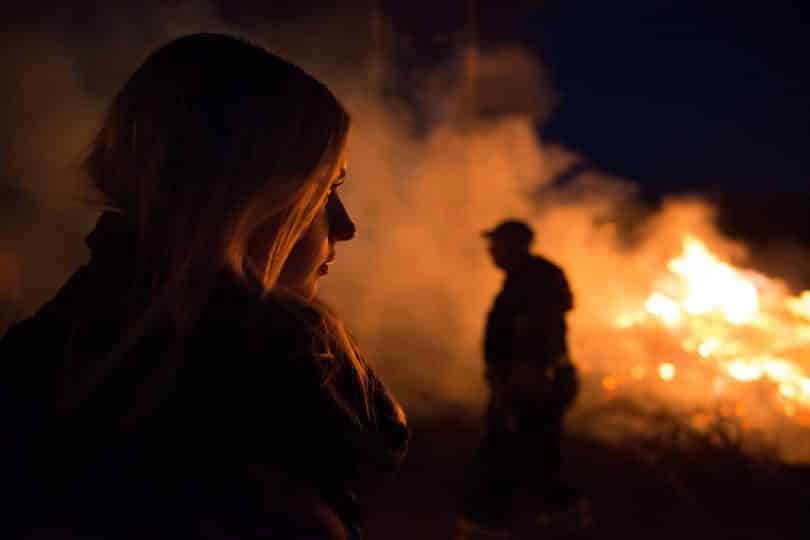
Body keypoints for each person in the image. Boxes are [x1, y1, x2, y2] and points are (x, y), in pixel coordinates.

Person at [0, 33, 408, 539]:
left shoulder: (54, 359)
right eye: (325, 191)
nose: (345, 226)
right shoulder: (243, 419)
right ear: (241, 200)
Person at [459, 219, 588, 538]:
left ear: (515, 244)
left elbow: (537, 334)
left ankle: (487, 525)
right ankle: (564, 520)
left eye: (496, 243)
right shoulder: (525, 279)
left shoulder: (533, 281)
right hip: (530, 382)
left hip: (530, 384)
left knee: (506, 453)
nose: (490, 250)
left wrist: (522, 379)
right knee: (534, 456)